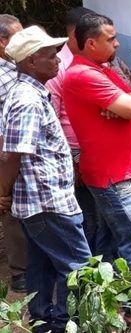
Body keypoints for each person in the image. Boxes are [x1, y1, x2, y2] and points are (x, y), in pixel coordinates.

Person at [1, 26, 91, 333]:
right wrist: (3, 192)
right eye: (50, 55)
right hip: (48, 202)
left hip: (43, 201)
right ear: (29, 63)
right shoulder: (27, 98)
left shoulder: (32, 92)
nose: (57, 60)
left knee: (41, 265)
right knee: (78, 266)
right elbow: (12, 154)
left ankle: (45, 322)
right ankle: (69, 323)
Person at [63, 13, 131, 269]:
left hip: (118, 171)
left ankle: (115, 300)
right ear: (91, 43)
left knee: (112, 241)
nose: (117, 44)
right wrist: (127, 104)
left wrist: (127, 103)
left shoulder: (101, 69)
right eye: (111, 39)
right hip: (112, 174)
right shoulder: (83, 75)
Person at [45, 6, 101, 253]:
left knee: (102, 216)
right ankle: (88, 277)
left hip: (99, 152)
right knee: (88, 216)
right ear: (78, 34)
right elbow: (53, 119)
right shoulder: (58, 68)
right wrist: (71, 160)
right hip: (76, 153)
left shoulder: (96, 63)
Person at [0, 13, 26, 293]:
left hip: (16, 148)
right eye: (16, 35)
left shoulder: (12, 67)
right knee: (11, 207)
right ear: (2, 41)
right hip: (7, 150)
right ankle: (20, 271)